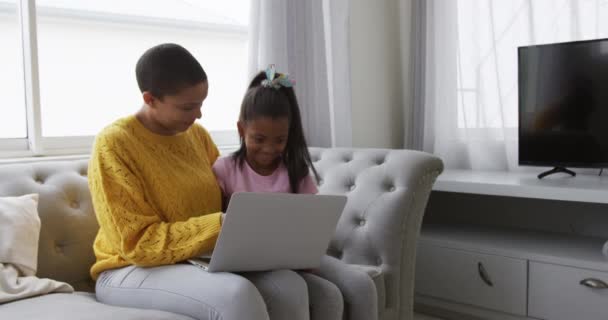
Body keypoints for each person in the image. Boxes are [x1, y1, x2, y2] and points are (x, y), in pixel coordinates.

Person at [88, 43, 311, 320]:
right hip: (128, 268)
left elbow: (227, 197)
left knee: (290, 287)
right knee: (236, 295)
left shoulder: (197, 135)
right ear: (150, 99)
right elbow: (138, 245)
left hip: (197, 260)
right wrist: (219, 224)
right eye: (187, 107)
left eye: (201, 103)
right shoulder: (114, 144)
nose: (198, 115)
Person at [212, 65, 345, 320]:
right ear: (241, 130)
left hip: (295, 260)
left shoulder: (295, 171)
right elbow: (214, 224)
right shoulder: (224, 169)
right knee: (297, 289)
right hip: (248, 264)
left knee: (352, 287)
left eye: (279, 140)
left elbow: (314, 223)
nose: (269, 149)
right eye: (259, 139)